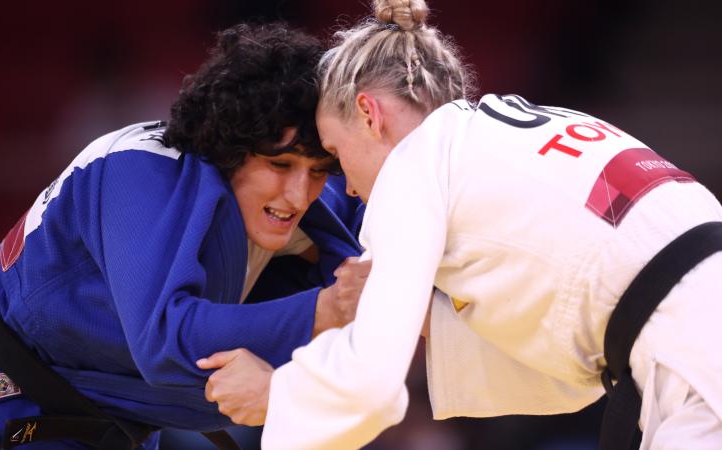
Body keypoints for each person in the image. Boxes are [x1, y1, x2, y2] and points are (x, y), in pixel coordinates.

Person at [198, 1, 722, 449]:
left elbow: (372, 383)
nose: (350, 189)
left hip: (693, 351)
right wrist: (427, 317)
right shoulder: (527, 127)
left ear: (368, 113)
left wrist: (280, 393)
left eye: (336, 154)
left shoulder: (415, 162)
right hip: (690, 339)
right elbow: (575, 361)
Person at [0, 23, 369, 449]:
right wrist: (323, 311)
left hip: (79, 425)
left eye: (318, 171)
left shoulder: (299, 211)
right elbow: (165, 339)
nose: (298, 194)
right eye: (280, 165)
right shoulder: (138, 170)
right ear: (231, 148)